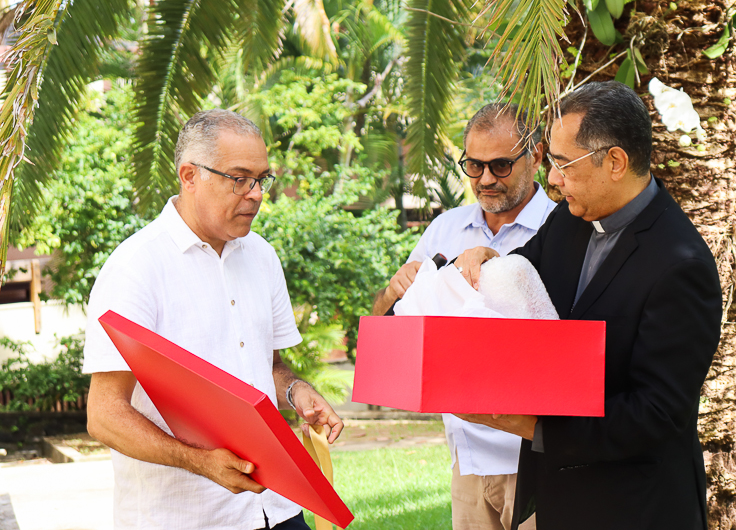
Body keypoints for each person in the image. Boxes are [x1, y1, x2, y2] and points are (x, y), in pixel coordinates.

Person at [453, 81, 723, 530]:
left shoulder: (680, 264)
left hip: (637, 508)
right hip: (560, 500)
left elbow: (657, 413)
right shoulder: (568, 219)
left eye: (564, 164)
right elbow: (522, 278)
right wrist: (489, 259)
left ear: (615, 162)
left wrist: (532, 427)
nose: (552, 179)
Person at [83, 110, 344, 530]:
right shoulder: (135, 268)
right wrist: (200, 462)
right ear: (189, 176)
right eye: (240, 179)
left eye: (261, 179)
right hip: (186, 518)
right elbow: (104, 414)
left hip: (277, 506)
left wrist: (297, 391)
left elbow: (268, 365)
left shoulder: (262, 256)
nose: (256, 195)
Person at [373, 103, 555, 530]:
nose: (485, 179)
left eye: (501, 165)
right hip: (468, 460)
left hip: (540, 458)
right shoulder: (444, 229)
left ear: (536, 156)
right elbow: (387, 328)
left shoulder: (560, 227)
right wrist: (394, 291)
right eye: (474, 165)